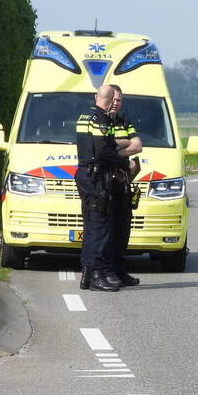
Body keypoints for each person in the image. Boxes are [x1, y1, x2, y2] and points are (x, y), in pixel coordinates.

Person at [75, 85, 130, 292]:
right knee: (100, 227)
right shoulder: (102, 119)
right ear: (109, 100)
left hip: (85, 174)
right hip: (97, 177)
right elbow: (103, 150)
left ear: (96, 96)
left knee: (91, 226)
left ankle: (87, 274)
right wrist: (124, 164)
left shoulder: (83, 116)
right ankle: (97, 275)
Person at [107, 85, 143, 285]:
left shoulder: (124, 122)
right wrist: (122, 144)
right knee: (106, 230)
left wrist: (113, 149)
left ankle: (120, 270)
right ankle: (107, 271)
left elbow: (137, 145)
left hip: (123, 184)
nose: (115, 103)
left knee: (123, 230)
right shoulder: (100, 121)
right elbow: (100, 148)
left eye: (119, 100)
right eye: (112, 98)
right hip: (104, 184)